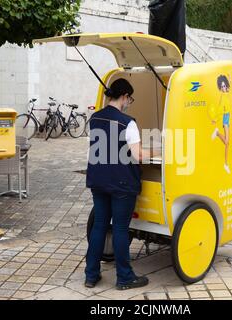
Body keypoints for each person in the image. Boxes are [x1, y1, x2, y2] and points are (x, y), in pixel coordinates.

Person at [85, 78, 154, 291]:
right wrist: (160, 151)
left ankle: (91, 275)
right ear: (124, 96)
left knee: (99, 225)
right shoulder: (128, 122)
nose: (129, 103)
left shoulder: (95, 118)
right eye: (130, 99)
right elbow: (138, 155)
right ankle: (124, 277)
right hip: (122, 183)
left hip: (98, 179)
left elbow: (95, 149)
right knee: (121, 228)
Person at [210, 75, 231, 174]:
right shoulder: (223, 95)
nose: (223, 88)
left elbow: (230, 86)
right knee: (227, 143)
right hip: (226, 118)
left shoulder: (227, 92)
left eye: (224, 86)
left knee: (227, 143)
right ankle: (226, 164)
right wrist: (215, 119)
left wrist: (230, 78)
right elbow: (219, 108)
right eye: (222, 87)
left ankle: (226, 164)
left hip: (229, 117)